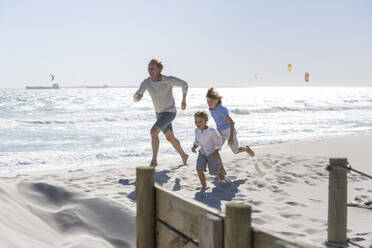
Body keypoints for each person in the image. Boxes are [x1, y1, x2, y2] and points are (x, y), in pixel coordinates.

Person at [133, 58, 189, 167]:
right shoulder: (146, 82)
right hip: (159, 114)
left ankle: (154, 161)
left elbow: (184, 84)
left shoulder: (168, 80)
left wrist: (184, 100)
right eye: (149, 68)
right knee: (170, 138)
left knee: (153, 132)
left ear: (159, 69)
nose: (150, 71)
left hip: (169, 112)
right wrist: (138, 97)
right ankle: (183, 155)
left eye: (153, 68)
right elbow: (135, 96)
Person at [206, 87, 255, 157]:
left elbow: (232, 123)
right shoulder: (211, 109)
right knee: (215, 148)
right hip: (220, 131)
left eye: (211, 101)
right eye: (207, 101)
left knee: (236, 151)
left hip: (229, 131)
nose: (209, 103)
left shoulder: (221, 110)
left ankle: (246, 149)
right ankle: (217, 165)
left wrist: (231, 138)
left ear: (216, 100)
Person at [192, 111, 225, 190]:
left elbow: (219, 140)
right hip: (202, 153)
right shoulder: (196, 131)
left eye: (200, 121)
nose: (197, 124)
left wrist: (217, 150)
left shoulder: (212, 131)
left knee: (215, 172)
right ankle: (204, 186)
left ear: (206, 120)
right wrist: (195, 146)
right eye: (196, 122)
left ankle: (222, 176)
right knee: (199, 169)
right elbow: (197, 140)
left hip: (212, 153)